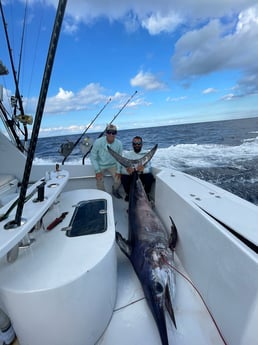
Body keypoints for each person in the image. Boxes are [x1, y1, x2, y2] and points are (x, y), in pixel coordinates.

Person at [90, 124, 123, 198]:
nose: (111, 134)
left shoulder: (119, 144)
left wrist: (118, 170)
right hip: (100, 165)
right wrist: (97, 170)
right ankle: (103, 196)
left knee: (118, 181)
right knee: (99, 181)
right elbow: (92, 157)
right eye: (109, 132)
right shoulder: (98, 142)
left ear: (116, 133)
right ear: (106, 133)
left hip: (113, 164)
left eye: (113, 132)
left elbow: (119, 158)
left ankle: (114, 190)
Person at [121, 136, 154, 201]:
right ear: (132, 144)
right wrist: (127, 170)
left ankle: (146, 193)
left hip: (142, 175)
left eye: (139, 144)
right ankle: (128, 194)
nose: (137, 145)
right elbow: (122, 169)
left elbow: (150, 168)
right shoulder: (127, 155)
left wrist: (142, 170)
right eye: (134, 144)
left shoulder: (146, 154)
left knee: (150, 176)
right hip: (131, 175)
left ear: (142, 144)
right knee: (123, 177)